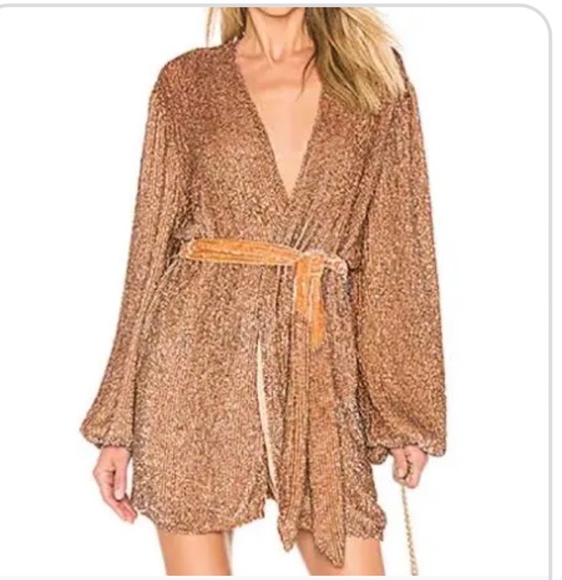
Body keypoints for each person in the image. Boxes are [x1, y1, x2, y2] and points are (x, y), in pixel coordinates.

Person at [79, 6, 447, 576]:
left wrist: (405, 413)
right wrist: (118, 423)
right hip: (192, 364)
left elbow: (400, 251)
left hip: (317, 365)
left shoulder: (375, 74)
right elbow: (149, 249)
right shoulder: (187, 82)